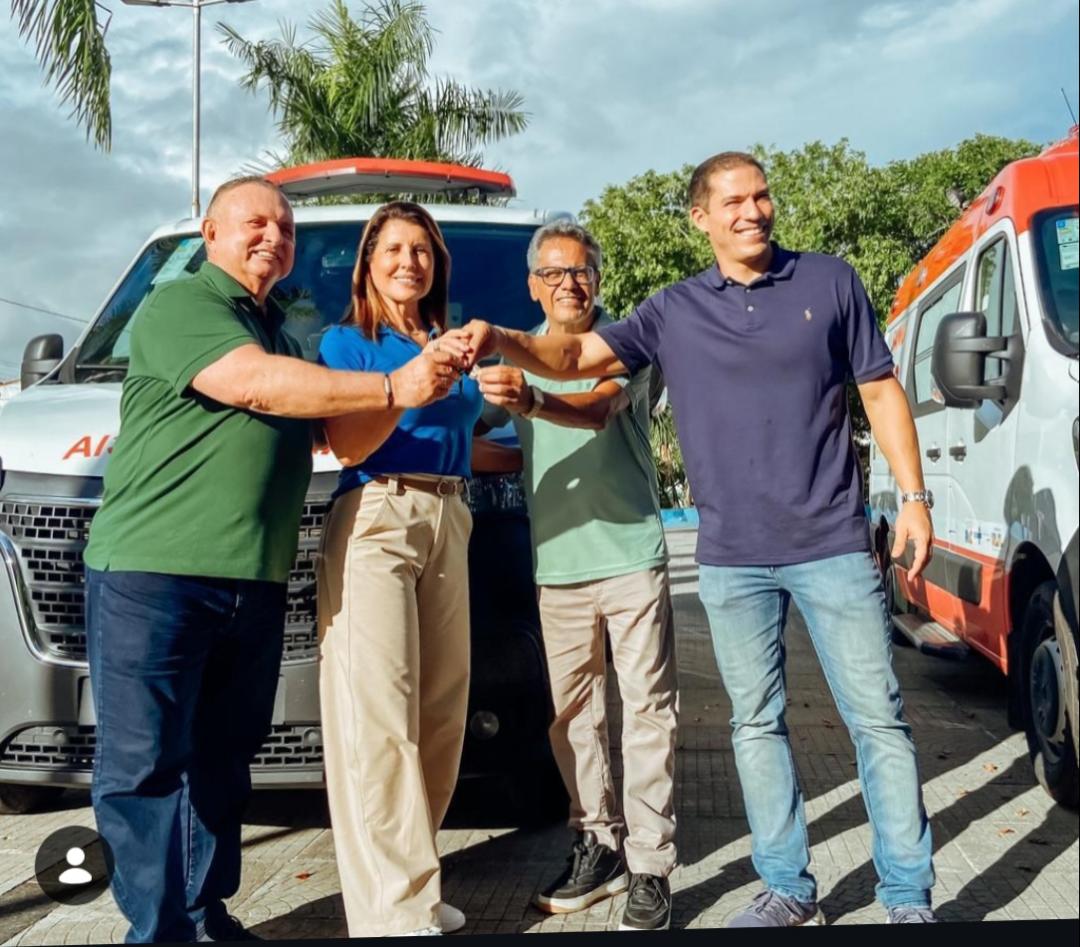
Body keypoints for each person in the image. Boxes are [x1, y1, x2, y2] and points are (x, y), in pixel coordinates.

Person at [459, 152, 939, 926]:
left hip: (834, 544)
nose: (754, 211)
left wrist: (912, 499)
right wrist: (505, 340)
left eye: (762, 195)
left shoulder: (829, 281)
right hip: (731, 556)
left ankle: (908, 895)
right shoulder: (673, 311)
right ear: (701, 218)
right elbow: (578, 356)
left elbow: (879, 388)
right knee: (755, 725)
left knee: (877, 719)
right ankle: (786, 885)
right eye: (734, 201)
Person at [83, 177, 463, 944]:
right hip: (154, 572)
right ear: (211, 231)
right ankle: (158, 932)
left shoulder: (282, 335)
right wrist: (393, 382)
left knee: (222, 760)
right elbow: (253, 386)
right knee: (145, 763)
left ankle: (204, 914)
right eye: (255, 221)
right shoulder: (185, 305)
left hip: (250, 577)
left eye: (284, 228)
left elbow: (326, 429)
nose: (274, 236)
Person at [316, 201, 517, 938]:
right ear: (369, 262)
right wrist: (410, 379)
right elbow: (350, 444)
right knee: (381, 719)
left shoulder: (445, 343)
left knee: (439, 714)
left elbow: (460, 442)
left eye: (423, 250)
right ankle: (392, 911)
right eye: (395, 249)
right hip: (377, 517)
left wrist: (524, 425)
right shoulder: (346, 343)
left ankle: (415, 885)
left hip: (450, 513)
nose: (410, 261)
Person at [474, 220, 679, 932]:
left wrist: (530, 400)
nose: (570, 282)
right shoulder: (515, 359)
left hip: (630, 555)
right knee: (572, 720)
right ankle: (598, 842)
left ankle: (650, 864)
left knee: (649, 713)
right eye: (555, 272)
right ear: (534, 284)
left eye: (581, 269)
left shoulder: (622, 344)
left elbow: (596, 408)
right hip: (557, 564)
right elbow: (494, 446)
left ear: (598, 277)